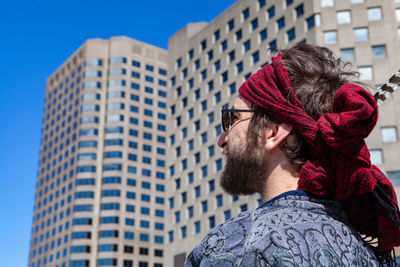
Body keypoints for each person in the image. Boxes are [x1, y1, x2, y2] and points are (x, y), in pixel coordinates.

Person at [185, 44, 400, 266]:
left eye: (232, 119)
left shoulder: (235, 246)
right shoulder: (365, 252)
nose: (222, 138)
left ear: (273, 132)